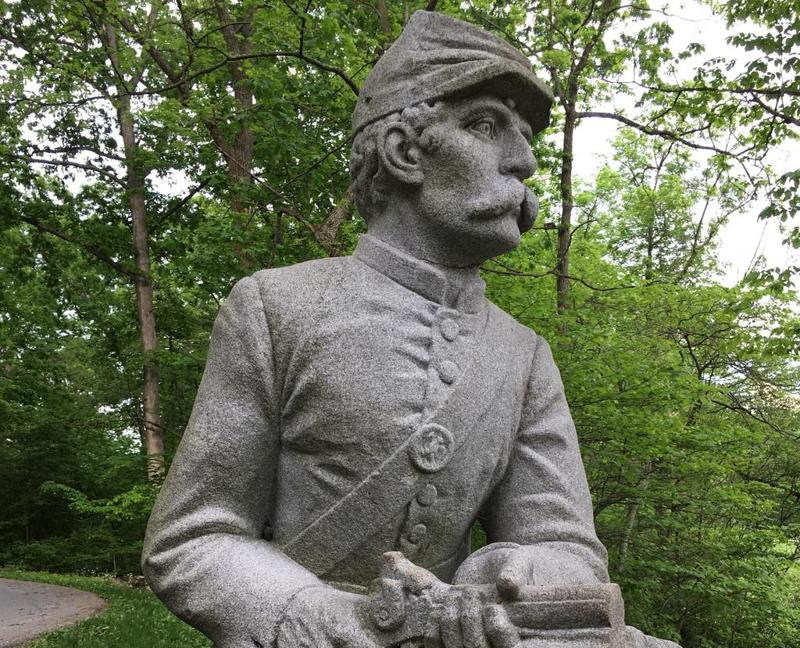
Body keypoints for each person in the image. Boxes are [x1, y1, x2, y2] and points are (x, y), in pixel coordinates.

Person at [142, 11, 680, 648]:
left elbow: (564, 544)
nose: (526, 162)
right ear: (403, 152)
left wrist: (512, 573)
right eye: (487, 125)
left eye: (527, 136)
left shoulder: (525, 356)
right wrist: (327, 619)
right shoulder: (275, 306)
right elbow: (193, 537)